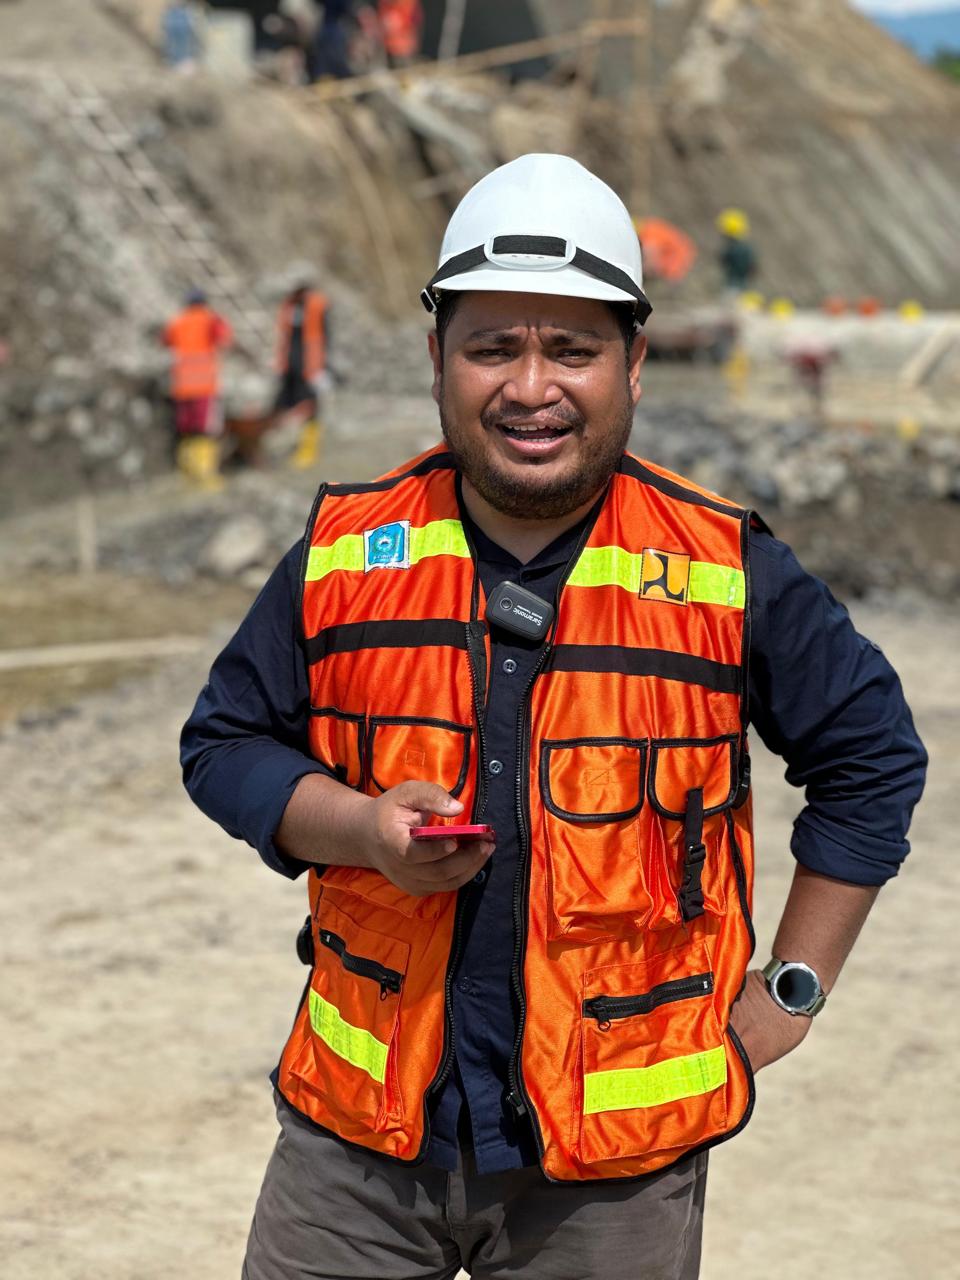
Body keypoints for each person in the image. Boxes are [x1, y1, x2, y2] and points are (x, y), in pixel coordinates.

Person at [181, 154, 926, 1279]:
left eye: (572, 349)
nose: (532, 388)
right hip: (357, 1152)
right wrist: (363, 829)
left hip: (611, 1178)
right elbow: (223, 743)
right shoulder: (343, 557)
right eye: (493, 347)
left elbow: (871, 759)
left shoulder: (727, 572)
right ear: (437, 358)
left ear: (635, 362)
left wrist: (794, 986)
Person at [161, 288, 232, 486]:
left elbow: (165, 340)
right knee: (205, 429)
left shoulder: (177, 321)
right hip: (204, 384)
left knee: (186, 428)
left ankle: (187, 471)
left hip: (182, 384)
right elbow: (224, 339)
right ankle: (205, 473)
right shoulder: (211, 319)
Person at [273, 268, 331, 469]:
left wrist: (322, 367)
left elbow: (326, 336)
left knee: (310, 407)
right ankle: (294, 447)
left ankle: (308, 450)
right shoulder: (289, 305)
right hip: (291, 365)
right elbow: (285, 335)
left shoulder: (317, 305)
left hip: (310, 365)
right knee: (287, 405)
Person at [716, 207, 757, 295]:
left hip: (733, 286)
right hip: (744, 286)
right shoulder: (747, 248)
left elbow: (723, 261)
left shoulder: (733, 249)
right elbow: (753, 268)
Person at [378, 0, 423, 67]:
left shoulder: (408, 4)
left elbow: (415, 24)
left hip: (404, 49)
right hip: (388, 48)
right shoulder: (384, 4)